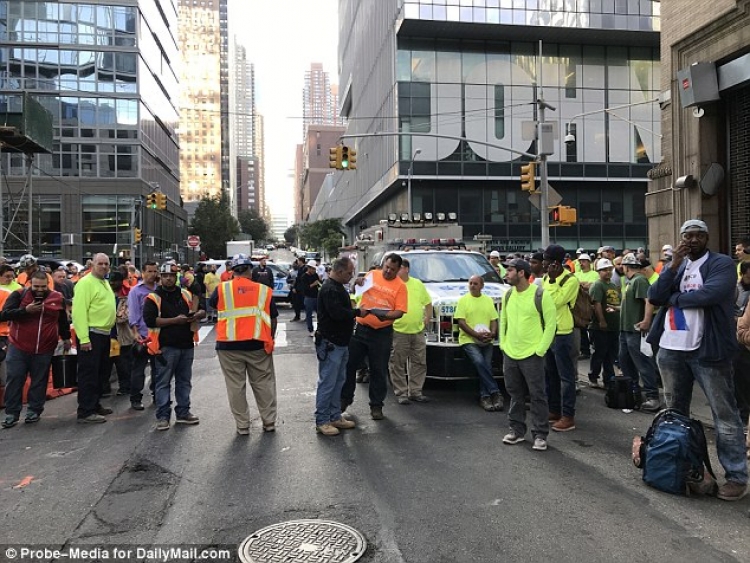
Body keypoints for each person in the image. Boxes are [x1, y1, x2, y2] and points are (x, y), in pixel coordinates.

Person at [648, 219, 747, 501]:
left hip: (709, 350)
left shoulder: (722, 263)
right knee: (675, 414)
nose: (691, 240)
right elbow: (655, 296)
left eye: (697, 235)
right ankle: (681, 465)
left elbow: (711, 294)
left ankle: (737, 477)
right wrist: (673, 265)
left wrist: (675, 299)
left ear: (706, 238)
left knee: (725, 415)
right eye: (686, 236)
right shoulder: (677, 266)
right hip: (671, 349)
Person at [209, 254, 278, 434]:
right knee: (263, 384)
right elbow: (273, 317)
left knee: (235, 386)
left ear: (232, 271)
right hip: (257, 344)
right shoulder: (263, 290)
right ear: (250, 270)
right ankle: (269, 422)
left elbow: (213, 305)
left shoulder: (221, 289)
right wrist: (270, 338)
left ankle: (242, 426)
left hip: (228, 346)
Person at [341, 253, 407, 420]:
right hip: (361, 328)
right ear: (383, 264)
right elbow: (356, 292)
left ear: (398, 270)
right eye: (386, 267)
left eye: (392, 270)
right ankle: (345, 399)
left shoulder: (400, 287)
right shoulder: (372, 275)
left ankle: (376, 406)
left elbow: (400, 312)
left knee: (378, 370)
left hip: (382, 333)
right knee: (349, 365)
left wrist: (386, 315)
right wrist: (356, 284)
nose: (388, 272)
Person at [0, 271, 71, 428]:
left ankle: (34, 411)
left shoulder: (57, 297)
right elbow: (4, 315)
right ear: (29, 284)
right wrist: (26, 311)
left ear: (48, 284)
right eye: (36, 286)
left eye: (43, 287)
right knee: (15, 378)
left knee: (39, 380)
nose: (39, 290)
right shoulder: (19, 294)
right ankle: (12, 413)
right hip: (19, 346)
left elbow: (62, 320)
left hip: (44, 348)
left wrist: (66, 338)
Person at [500, 259, 556, 451]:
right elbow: (503, 321)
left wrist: (540, 350)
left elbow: (551, 325)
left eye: (510, 270)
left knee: (537, 395)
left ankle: (540, 434)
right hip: (510, 353)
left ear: (521, 273)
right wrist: (504, 345)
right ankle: (516, 430)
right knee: (515, 394)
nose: (506, 274)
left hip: (532, 354)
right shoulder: (508, 295)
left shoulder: (540, 294)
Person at [143, 262, 204, 431]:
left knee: (184, 381)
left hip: (186, 344)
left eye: (171, 275)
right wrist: (174, 321)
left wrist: (197, 314)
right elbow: (150, 320)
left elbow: (202, 309)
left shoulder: (185, 294)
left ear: (176, 277)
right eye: (165, 276)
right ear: (160, 278)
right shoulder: (154, 298)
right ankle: (163, 416)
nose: (168, 278)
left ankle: (183, 413)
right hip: (165, 346)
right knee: (163, 382)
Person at [314, 257, 367, 436]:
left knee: (338, 382)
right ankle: (322, 420)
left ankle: (335, 416)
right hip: (331, 343)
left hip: (340, 342)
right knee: (328, 383)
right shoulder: (330, 289)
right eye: (349, 273)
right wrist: (358, 312)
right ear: (339, 271)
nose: (351, 276)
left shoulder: (337, 287)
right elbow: (337, 314)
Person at [71, 253, 116, 423]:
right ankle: (85, 411)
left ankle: (94, 404)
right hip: (91, 334)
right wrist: (83, 338)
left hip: (103, 334)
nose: (104, 266)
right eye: (100, 263)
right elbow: (79, 312)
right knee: (88, 374)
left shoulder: (104, 282)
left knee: (100, 373)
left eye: (106, 264)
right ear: (93, 265)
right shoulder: (85, 283)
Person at [542, 244, 579, 432]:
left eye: (546, 260)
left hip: (563, 333)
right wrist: (550, 280)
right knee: (551, 375)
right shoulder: (545, 279)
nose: (543, 263)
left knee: (566, 377)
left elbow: (554, 302)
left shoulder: (570, 280)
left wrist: (555, 280)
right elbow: (540, 301)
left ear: (555, 262)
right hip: (548, 332)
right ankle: (554, 410)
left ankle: (568, 416)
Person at [619, 253, 660, 412]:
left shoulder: (639, 280)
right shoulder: (631, 282)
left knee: (643, 363)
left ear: (626, 266)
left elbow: (648, 301)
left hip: (635, 330)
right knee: (626, 362)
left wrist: (646, 321)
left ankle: (652, 396)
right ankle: (634, 393)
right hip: (626, 330)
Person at [455, 275, 502, 412]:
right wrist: (476, 335)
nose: (472, 286)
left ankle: (485, 396)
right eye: (470, 283)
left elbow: (494, 319)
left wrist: (492, 333)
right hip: (469, 339)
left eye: (475, 283)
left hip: (487, 339)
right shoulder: (463, 301)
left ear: (482, 286)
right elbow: (461, 322)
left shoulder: (488, 300)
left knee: (486, 366)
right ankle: (495, 392)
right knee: (480, 362)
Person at [389, 258, 433, 404]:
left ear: (406, 269)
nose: (394, 271)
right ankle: (401, 393)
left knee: (419, 362)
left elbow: (427, 303)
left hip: (417, 331)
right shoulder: (393, 285)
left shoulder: (417, 284)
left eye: (398, 268)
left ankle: (415, 391)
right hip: (399, 330)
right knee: (397, 363)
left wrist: (427, 318)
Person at [127, 261, 159, 411]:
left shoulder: (160, 289)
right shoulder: (136, 291)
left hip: (158, 336)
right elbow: (133, 313)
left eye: (155, 271)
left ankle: (157, 395)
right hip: (143, 335)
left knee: (158, 369)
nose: (153, 274)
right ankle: (135, 398)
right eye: (150, 271)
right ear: (143, 273)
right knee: (138, 369)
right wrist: (135, 333)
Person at [587, 258, 621, 388]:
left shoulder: (613, 285)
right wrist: (601, 321)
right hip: (600, 327)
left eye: (609, 269)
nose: (608, 272)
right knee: (599, 353)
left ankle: (608, 379)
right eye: (604, 270)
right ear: (598, 271)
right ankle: (593, 377)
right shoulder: (597, 285)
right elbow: (596, 304)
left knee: (610, 355)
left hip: (614, 326)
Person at [107, 271, 135, 398]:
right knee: (109, 364)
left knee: (123, 364)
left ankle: (126, 386)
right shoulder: (106, 296)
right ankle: (106, 387)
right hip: (111, 337)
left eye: (115, 280)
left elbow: (122, 318)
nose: (112, 283)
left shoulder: (127, 297)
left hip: (122, 337)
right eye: (110, 280)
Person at [574, 253, 598, 359]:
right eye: (580, 261)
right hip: (581, 304)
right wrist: (585, 285)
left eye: (583, 261)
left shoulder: (594, 274)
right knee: (582, 327)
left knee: (593, 327)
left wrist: (585, 285)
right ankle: (584, 350)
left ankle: (594, 346)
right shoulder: (576, 274)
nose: (581, 263)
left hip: (592, 303)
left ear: (589, 262)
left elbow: (594, 285)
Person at [300, 260, 322, 336]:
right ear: (309, 268)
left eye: (315, 269)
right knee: (309, 315)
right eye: (313, 269)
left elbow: (319, 283)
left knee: (320, 314)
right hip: (308, 298)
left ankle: (320, 329)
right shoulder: (304, 277)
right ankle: (311, 330)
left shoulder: (315, 275)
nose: (314, 271)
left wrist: (319, 281)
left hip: (316, 297)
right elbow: (305, 288)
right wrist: (313, 284)